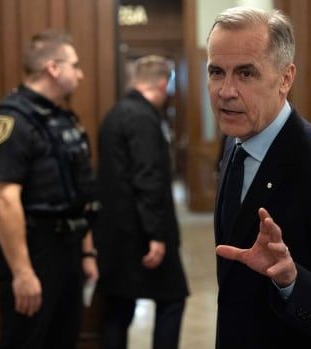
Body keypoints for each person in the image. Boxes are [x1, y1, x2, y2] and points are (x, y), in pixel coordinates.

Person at [207, 7, 311, 349]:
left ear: (285, 78)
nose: (225, 91)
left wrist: (291, 282)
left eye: (245, 74)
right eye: (216, 72)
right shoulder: (233, 141)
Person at [0, 30, 99, 349]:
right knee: (26, 339)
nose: (80, 73)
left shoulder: (63, 118)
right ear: (53, 67)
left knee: (64, 336)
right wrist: (22, 273)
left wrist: (87, 252)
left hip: (70, 248)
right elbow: (4, 200)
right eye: (74, 65)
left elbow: (80, 194)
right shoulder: (11, 120)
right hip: (35, 250)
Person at [95, 55, 189, 349]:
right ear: (163, 85)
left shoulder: (116, 114)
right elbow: (148, 179)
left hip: (115, 232)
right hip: (141, 235)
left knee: (117, 310)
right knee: (172, 299)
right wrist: (156, 234)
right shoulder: (144, 117)